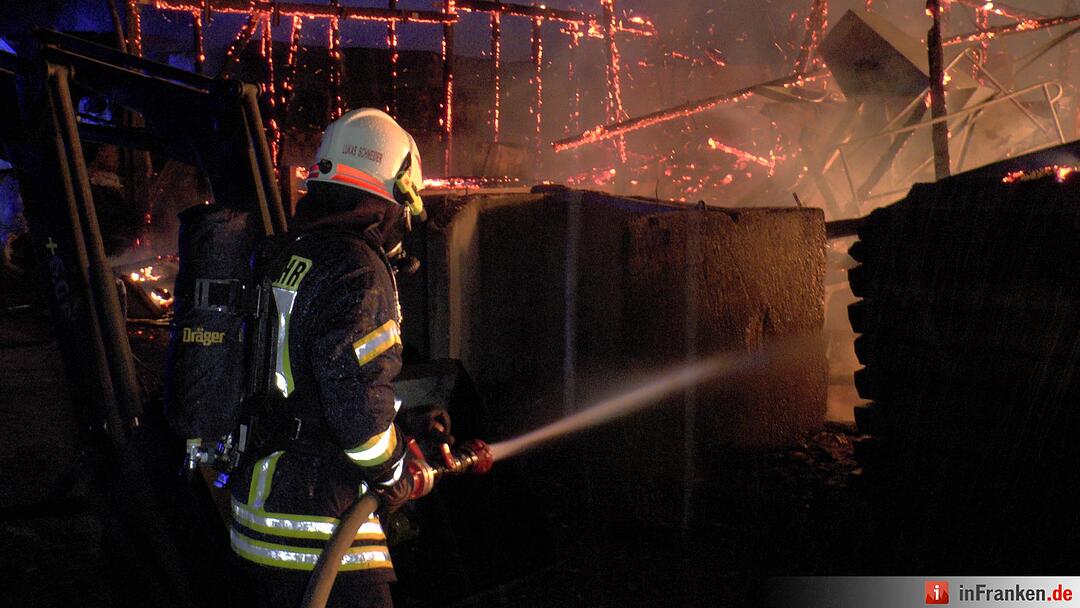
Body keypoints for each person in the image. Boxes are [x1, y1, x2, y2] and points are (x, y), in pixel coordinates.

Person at [229, 108, 426, 608]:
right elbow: (357, 408)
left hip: (256, 519)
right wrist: (394, 471)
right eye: (407, 204)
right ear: (389, 196)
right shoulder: (357, 268)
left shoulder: (289, 251)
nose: (407, 220)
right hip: (320, 527)